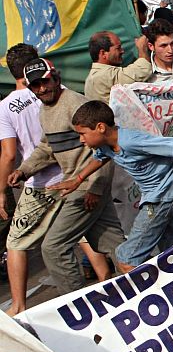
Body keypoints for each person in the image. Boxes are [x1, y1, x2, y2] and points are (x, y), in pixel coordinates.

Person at [8, 59, 123, 295]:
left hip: (85, 188)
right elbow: (47, 148)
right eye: (35, 86)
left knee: (53, 247)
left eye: (45, 82)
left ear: (57, 78)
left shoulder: (75, 105)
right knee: (113, 243)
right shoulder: (45, 110)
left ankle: (78, 303)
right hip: (77, 186)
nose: (41, 89)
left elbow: (103, 148)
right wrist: (23, 170)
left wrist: (95, 188)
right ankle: (144, 282)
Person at [51, 101, 173, 273]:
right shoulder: (106, 145)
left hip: (161, 198)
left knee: (126, 259)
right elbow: (101, 158)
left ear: (100, 127)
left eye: (83, 133)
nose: (81, 139)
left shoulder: (131, 141)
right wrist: (78, 179)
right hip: (161, 197)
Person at [0, 45, 66, 315]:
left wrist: (2, 190)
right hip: (70, 172)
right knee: (82, 233)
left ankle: (18, 307)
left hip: (38, 181)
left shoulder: (6, 107)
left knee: (16, 243)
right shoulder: (52, 89)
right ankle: (103, 281)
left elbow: (9, 154)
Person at [84, 31, 152, 103]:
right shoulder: (103, 75)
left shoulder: (93, 76)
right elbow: (142, 70)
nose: (122, 51)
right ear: (103, 53)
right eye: (118, 48)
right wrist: (142, 48)